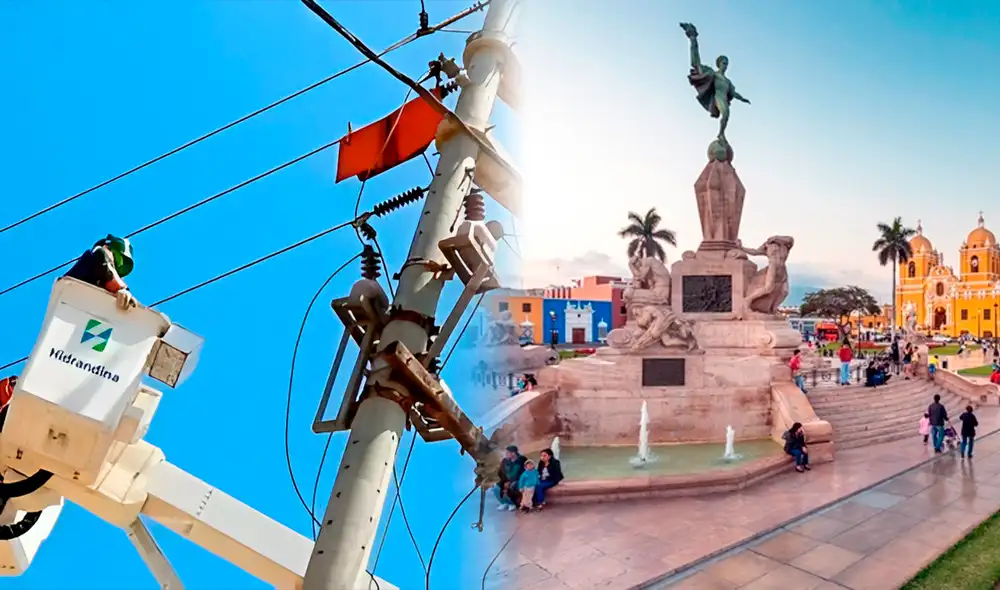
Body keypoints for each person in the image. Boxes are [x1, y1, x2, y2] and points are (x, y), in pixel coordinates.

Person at [64, 234, 138, 311]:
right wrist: (122, 289)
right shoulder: (98, 254)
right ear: (106, 247)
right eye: (116, 258)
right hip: (69, 300)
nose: (114, 264)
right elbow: (103, 263)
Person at [495, 445, 526, 512]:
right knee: (495, 487)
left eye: (507, 452)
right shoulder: (505, 461)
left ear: (513, 453)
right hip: (507, 480)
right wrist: (504, 481)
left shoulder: (522, 460)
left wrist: (512, 481)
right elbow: (500, 473)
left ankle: (513, 503)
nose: (506, 454)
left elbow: (525, 473)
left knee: (512, 486)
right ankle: (504, 502)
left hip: (519, 480)